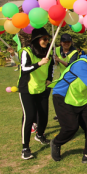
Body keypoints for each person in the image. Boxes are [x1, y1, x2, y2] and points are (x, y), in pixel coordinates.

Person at [17, 28, 54, 160]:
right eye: (44, 39)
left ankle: (40, 135)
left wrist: (49, 78)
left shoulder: (49, 51)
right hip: (27, 88)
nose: (46, 41)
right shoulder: (26, 52)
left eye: (47, 38)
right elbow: (24, 68)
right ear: (36, 40)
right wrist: (39, 63)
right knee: (30, 116)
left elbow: (50, 67)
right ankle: (25, 148)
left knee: (43, 115)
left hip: (42, 87)